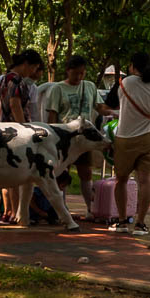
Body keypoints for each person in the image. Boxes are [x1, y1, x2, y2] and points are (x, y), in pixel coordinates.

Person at [105, 52, 150, 235]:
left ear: (132, 66)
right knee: (145, 181)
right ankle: (141, 224)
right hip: (147, 138)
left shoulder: (123, 83)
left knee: (121, 180)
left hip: (124, 139)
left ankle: (121, 222)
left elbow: (108, 105)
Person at [0, 49, 44, 223]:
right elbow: (15, 105)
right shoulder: (15, 80)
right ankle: (17, 213)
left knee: (12, 176)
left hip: (4, 129)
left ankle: (14, 212)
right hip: (13, 132)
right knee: (18, 176)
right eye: (33, 68)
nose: (33, 73)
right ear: (26, 64)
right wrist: (25, 129)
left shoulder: (6, 79)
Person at [44, 54, 107, 216]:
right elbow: (52, 115)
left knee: (85, 172)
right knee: (61, 174)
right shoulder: (58, 88)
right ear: (68, 71)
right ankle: (61, 209)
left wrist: (116, 113)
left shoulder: (90, 86)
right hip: (65, 138)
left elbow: (100, 107)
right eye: (75, 73)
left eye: (82, 73)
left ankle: (90, 210)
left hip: (84, 140)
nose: (79, 77)